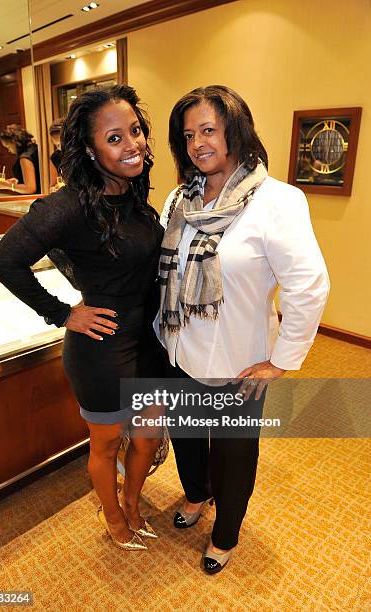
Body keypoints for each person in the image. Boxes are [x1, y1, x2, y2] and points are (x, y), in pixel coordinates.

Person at [154, 85, 330, 574]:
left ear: (235, 129)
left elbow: (309, 285)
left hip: (238, 359)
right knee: (188, 436)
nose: (197, 144)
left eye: (208, 130)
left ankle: (225, 533)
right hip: (178, 347)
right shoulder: (179, 198)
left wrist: (282, 358)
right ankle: (195, 495)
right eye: (188, 135)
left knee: (233, 454)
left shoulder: (278, 201)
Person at [0, 84, 164, 552]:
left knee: (147, 439)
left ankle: (132, 502)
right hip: (101, 349)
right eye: (115, 138)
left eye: (136, 131)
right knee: (105, 446)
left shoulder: (133, 191)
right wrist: (63, 313)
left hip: (147, 340)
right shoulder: (65, 205)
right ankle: (114, 520)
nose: (134, 144)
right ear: (88, 149)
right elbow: (3, 261)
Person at [0, 124, 41, 194]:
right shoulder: (35, 148)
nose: (8, 150)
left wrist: (9, 186)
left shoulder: (25, 157)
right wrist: (18, 181)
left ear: (14, 142)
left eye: (8, 147)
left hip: (33, 200)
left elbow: (30, 188)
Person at [48, 118, 64, 191]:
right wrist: (54, 189)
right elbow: (53, 185)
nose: (61, 148)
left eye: (63, 144)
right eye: (57, 145)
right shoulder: (55, 157)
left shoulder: (83, 154)